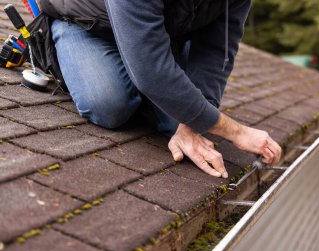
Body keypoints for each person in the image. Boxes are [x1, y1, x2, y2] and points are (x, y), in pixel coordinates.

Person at [40, 0, 282, 178]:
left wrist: (196, 118)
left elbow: (216, 50)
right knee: (110, 105)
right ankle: (57, 52)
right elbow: (150, 67)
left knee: (185, 124)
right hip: (88, 24)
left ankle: (150, 84)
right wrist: (236, 132)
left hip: (156, 32)